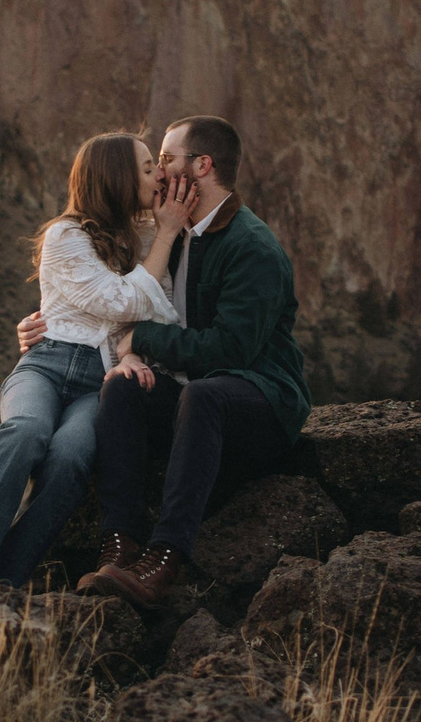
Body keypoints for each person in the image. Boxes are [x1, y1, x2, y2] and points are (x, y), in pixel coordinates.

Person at [18, 114, 310, 609]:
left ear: (201, 166)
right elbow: (111, 295)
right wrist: (43, 327)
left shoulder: (251, 246)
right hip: (196, 400)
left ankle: (164, 559)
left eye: (167, 160)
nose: (158, 173)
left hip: (262, 400)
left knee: (203, 393)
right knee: (122, 388)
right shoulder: (169, 234)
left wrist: (140, 338)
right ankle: (120, 543)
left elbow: (230, 350)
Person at [0, 132, 190, 606]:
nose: (158, 174)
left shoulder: (153, 237)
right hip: (46, 366)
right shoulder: (65, 236)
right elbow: (119, 303)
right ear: (115, 177)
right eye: (146, 166)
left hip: (100, 380)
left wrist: (133, 348)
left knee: (71, 458)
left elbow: (161, 316)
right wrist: (166, 242)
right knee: (26, 431)